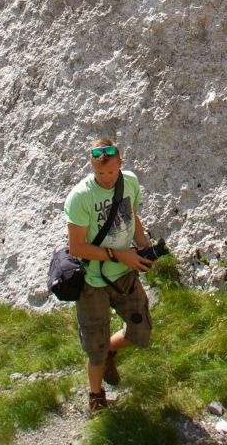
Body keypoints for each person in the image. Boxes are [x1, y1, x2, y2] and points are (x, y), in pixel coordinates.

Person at [64, 138, 154, 414]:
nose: (105, 178)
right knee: (95, 348)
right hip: (93, 283)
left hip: (125, 275)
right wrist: (119, 254)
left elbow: (131, 215)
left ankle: (111, 352)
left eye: (111, 172)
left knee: (142, 331)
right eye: (100, 173)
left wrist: (143, 245)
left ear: (120, 165)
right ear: (92, 168)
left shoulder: (129, 182)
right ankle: (96, 396)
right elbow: (77, 247)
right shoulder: (80, 197)